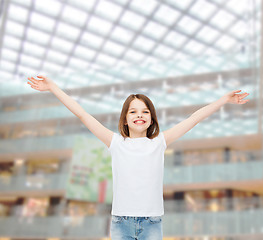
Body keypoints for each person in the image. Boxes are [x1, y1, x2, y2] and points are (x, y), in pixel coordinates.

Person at [27, 75, 249, 239]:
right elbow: (82, 114)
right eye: (133, 111)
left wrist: (223, 100)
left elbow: (193, 119)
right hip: (120, 223)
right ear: (125, 119)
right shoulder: (115, 142)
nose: (139, 115)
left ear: (151, 119)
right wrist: (53, 87)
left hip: (152, 224)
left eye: (145, 111)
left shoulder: (159, 142)